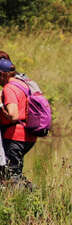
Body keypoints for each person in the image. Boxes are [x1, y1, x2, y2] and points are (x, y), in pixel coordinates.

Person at [0, 54, 38, 187]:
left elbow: (13, 115)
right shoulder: (23, 83)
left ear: (2, 74)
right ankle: (30, 196)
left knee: (12, 175)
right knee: (13, 172)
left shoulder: (9, 88)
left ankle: (30, 196)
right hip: (29, 135)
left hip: (15, 136)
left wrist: (0, 108)